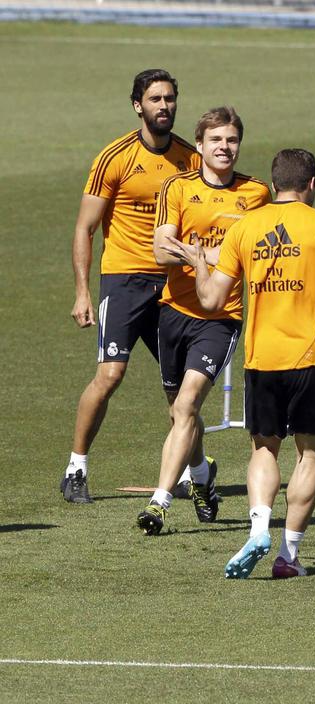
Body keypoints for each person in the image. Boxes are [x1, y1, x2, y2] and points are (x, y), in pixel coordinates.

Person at [183, 148, 315, 578]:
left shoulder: (245, 228)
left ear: (274, 182)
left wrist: (197, 265)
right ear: (312, 184)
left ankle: (259, 526)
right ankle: (287, 555)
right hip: (312, 357)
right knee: (310, 456)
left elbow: (210, 299)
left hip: (261, 357)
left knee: (264, 448)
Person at [62, 69, 200, 504]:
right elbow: (85, 228)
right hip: (123, 281)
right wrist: (83, 292)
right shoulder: (115, 157)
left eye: (170, 98)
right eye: (156, 99)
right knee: (110, 374)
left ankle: (193, 473)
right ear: (138, 105)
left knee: (181, 387)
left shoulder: (191, 159)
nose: (165, 106)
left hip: (174, 284)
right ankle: (76, 468)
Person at [137, 107, 270, 535]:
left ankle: (158, 503)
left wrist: (195, 253)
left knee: (189, 404)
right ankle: (201, 473)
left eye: (231, 140)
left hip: (220, 317)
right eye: (216, 140)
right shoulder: (177, 188)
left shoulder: (255, 194)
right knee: (179, 412)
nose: (224, 148)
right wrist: (213, 255)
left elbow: (247, 255)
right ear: (199, 146)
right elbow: (160, 252)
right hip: (173, 311)